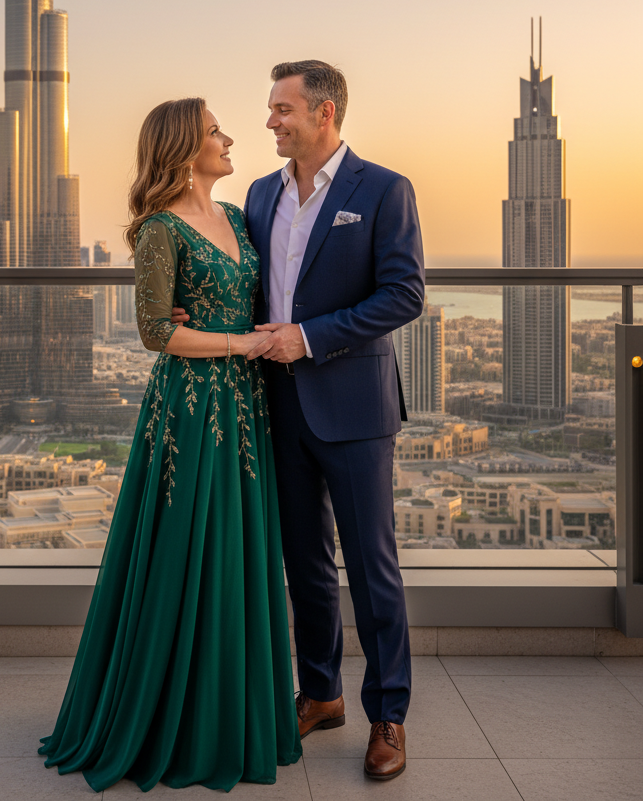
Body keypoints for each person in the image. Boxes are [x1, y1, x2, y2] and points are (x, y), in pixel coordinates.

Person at [39, 97, 302, 792]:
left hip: (245, 407)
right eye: (216, 130)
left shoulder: (240, 219)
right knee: (186, 548)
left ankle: (228, 712)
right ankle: (168, 720)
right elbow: (156, 332)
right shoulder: (159, 230)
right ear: (186, 149)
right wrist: (239, 343)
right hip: (190, 407)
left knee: (237, 550)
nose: (229, 138)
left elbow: (264, 292)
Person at [243, 60, 425, 781]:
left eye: (282, 109)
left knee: (373, 568)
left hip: (353, 406)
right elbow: (244, 281)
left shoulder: (382, 189)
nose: (270, 121)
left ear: (324, 113)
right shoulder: (259, 195)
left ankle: (389, 715)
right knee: (306, 565)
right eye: (269, 109)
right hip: (278, 404)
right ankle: (320, 693)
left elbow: (404, 293)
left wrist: (311, 336)